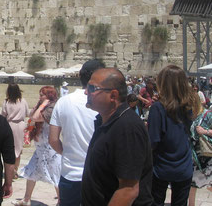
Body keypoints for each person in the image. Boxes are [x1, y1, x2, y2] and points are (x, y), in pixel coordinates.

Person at [81, 68, 153, 205]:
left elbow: (128, 190)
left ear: (113, 95)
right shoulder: (106, 121)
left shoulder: (127, 127)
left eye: (92, 88)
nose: (86, 92)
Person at [48, 59, 104, 206]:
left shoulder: (63, 102)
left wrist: (67, 153)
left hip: (70, 174)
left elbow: (53, 139)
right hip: (99, 175)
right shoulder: (105, 104)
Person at [148, 65, 201, 206]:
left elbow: (153, 141)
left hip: (161, 167)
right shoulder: (189, 107)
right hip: (183, 166)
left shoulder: (158, 108)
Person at [13, 86, 61, 205]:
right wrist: (40, 104)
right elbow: (31, 115)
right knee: (31, 172)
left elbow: (35, 117)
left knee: (55, 175)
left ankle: (61, 201)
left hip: (50, 148)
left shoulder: (52, 107)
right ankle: (26, 199)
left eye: (42, 95)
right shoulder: (42, 106)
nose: (39, 97)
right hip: (40, 148)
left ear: (49, 96)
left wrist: (43, 104)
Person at [1, 83, 29, 177]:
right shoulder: (23, 101)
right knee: (18, 149)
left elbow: (3, 115)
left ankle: (9, 171)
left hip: (9, 125)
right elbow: (27, 113)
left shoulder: (6, 102)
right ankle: (15, 171)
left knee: (9, 149)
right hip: (21, 125)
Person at [189, 107, 212, 206]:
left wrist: (204, 132)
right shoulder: (190, 114)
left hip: (207, 156)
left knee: (209, 182)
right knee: (193, 183)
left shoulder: (209, 114)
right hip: (195, 156)